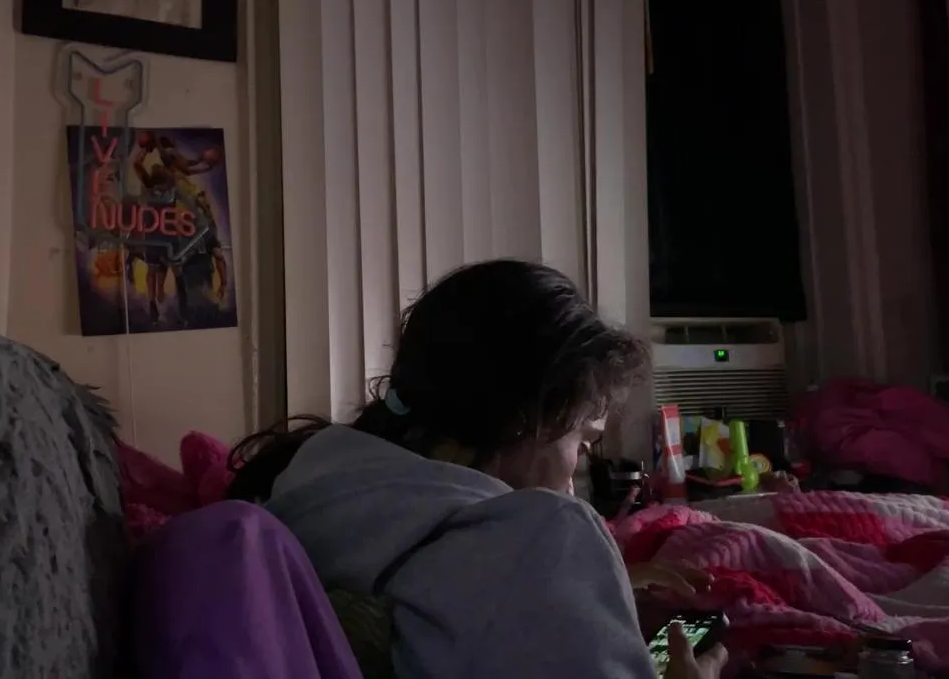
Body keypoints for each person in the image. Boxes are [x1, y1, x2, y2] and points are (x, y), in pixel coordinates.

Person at [227, 259, 729, 679]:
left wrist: (580, 600)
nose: (574, 482)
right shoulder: (544, 534)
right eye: (582, 442)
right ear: (526, 419)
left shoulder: (302, 486)